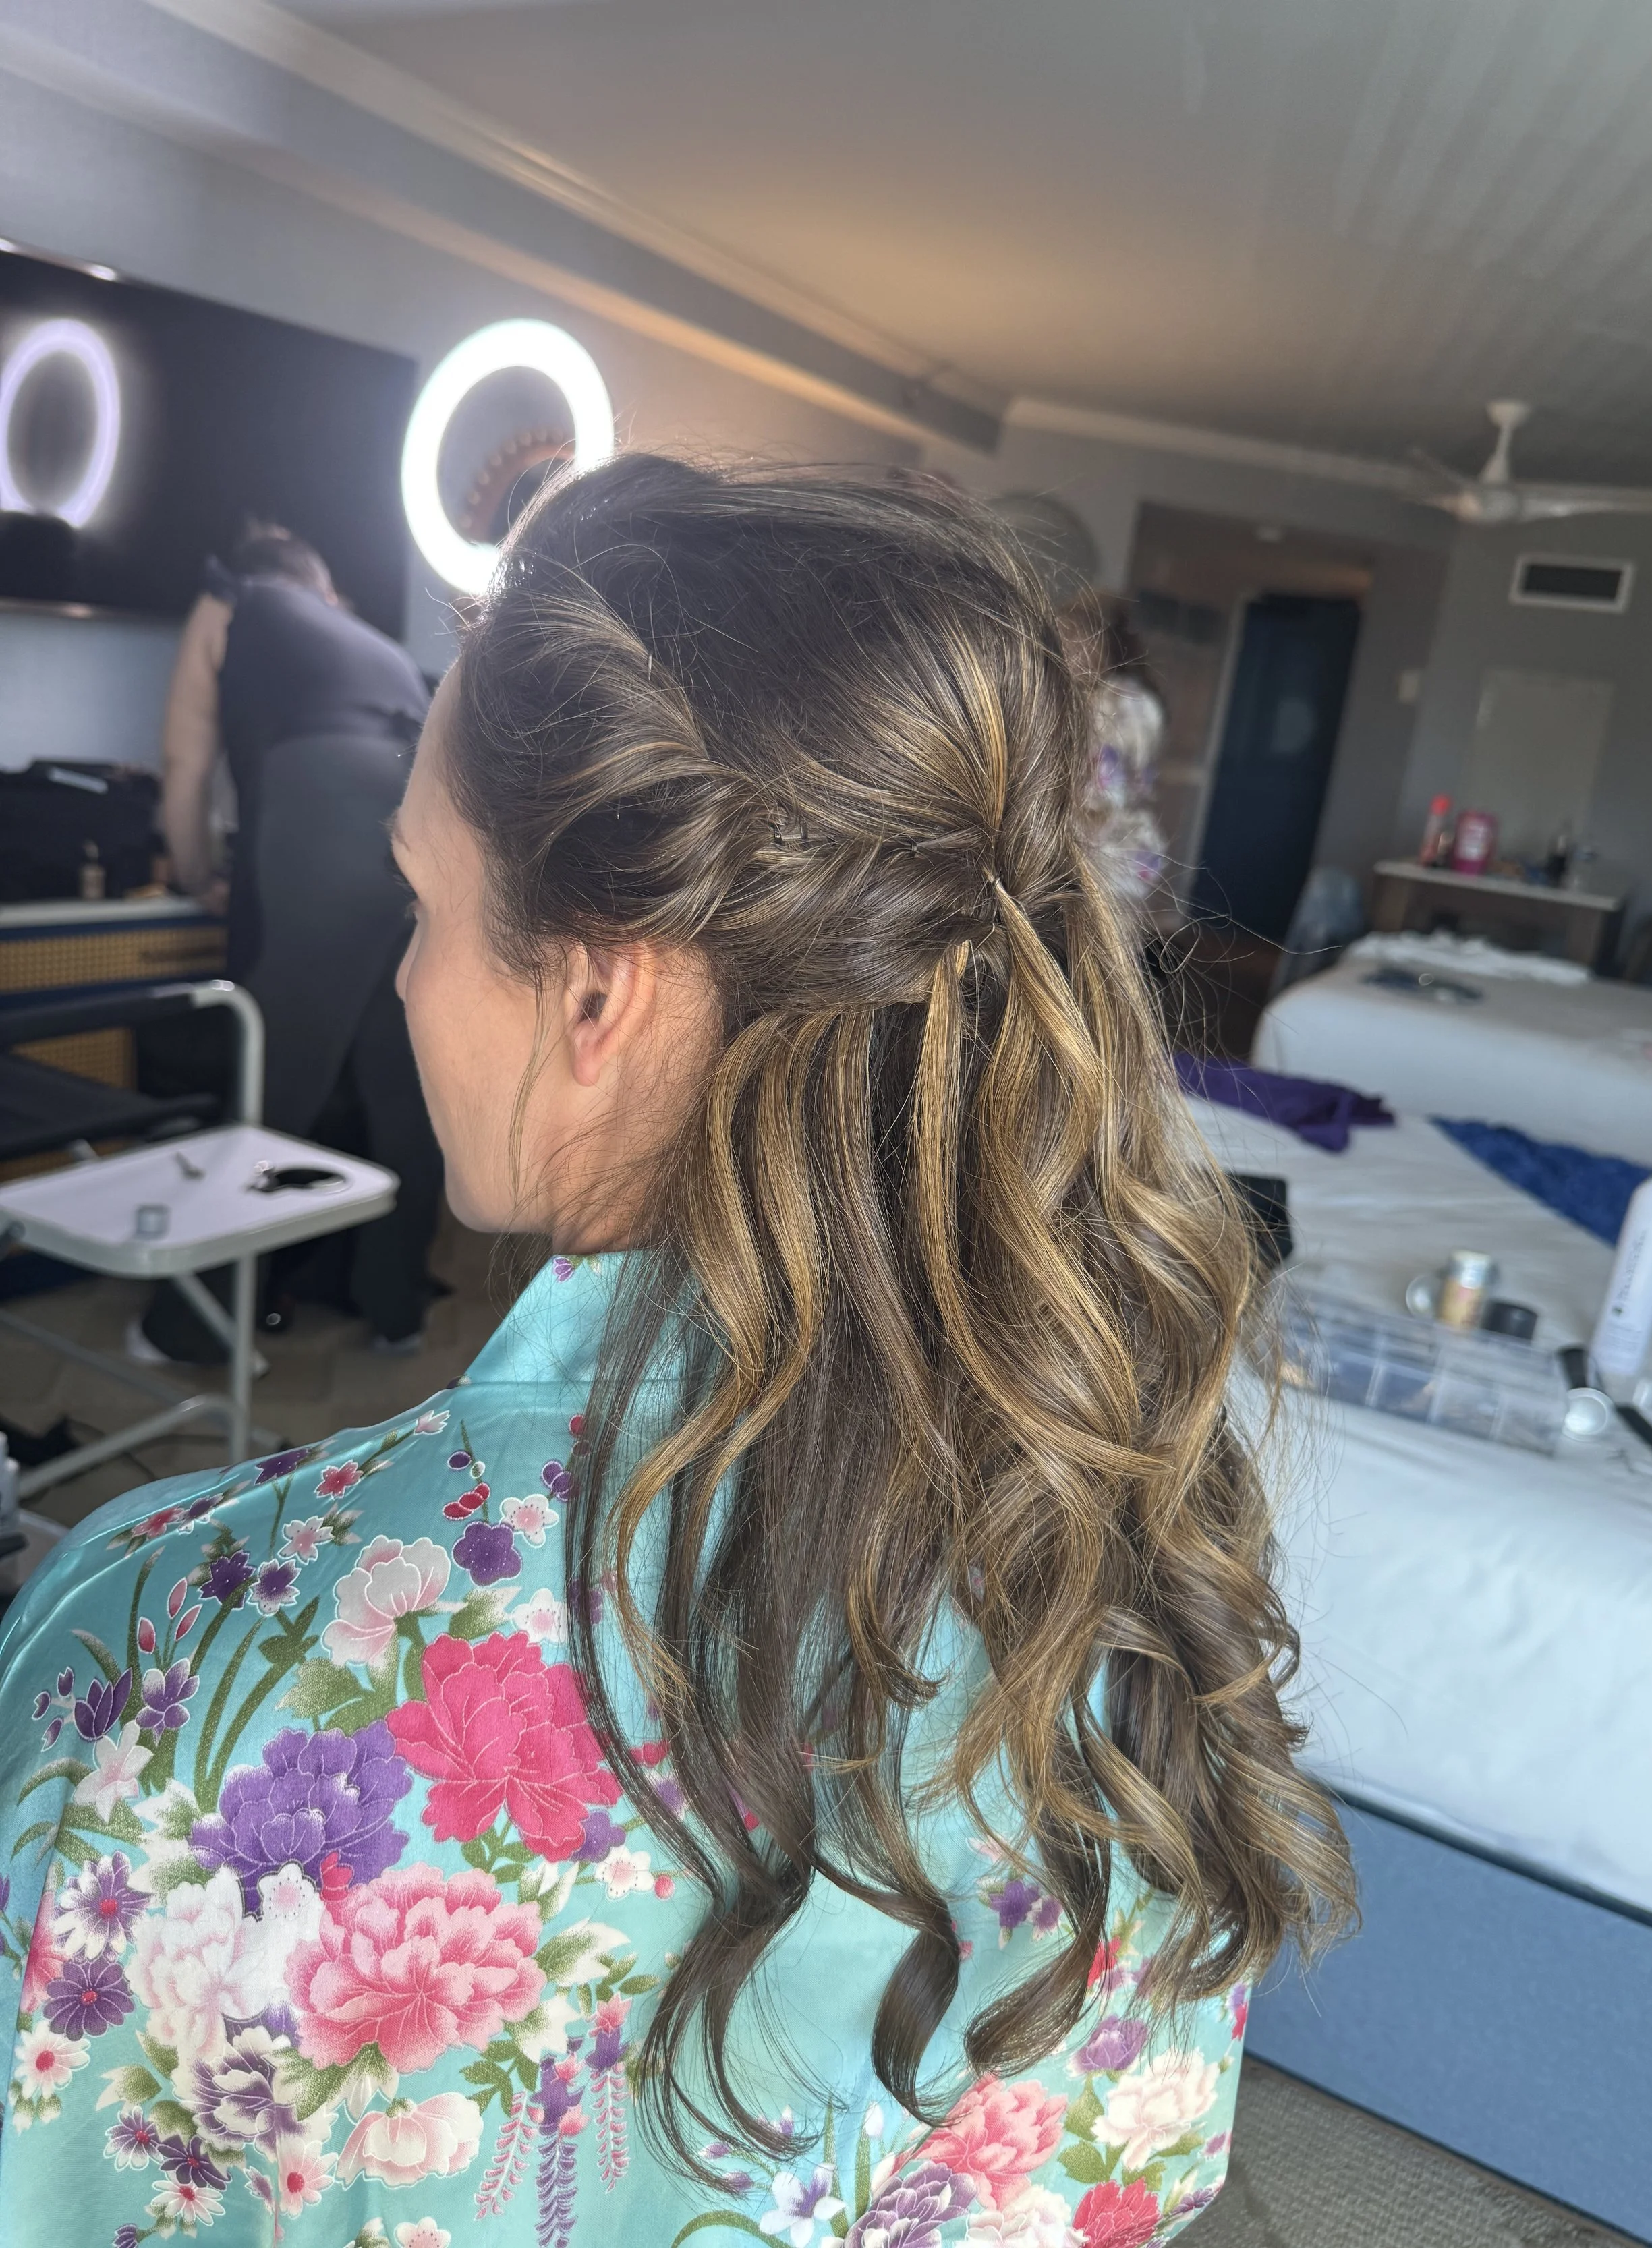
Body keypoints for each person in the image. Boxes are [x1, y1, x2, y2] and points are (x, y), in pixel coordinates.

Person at [0, 459, 1350, 2246]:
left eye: (419, 902)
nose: (401, 977)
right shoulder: (1115, 1542)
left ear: (595, 991)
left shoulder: (160, 1655)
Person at [154, 520, 442, 1352]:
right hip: (425, 814)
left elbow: (184, 765)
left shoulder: (229, 596)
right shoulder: (373, 643)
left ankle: (191, 1329)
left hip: (321, 806)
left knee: (271, 1085)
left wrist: (192, 874)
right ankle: (397, 1312)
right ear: (323, 589)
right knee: (404, 1089)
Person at [1062, 590, 1170, 913]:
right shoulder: (1091, 696)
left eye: (1072, 635)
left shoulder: (1124, 702)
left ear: (1104, 643)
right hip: (1095, 852)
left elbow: (1100, 792)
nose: (1061, 647)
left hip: (1105, 856)